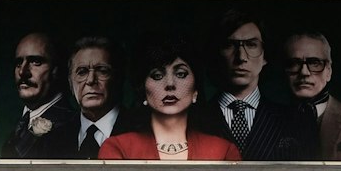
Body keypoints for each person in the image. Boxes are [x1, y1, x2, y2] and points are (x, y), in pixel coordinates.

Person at [99, 40, 241, 161]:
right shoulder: (118, 149)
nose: (170, 84)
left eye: (180, 74)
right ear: (143, 90)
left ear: (195, 90)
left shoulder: (223, 152)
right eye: (157, 75)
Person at [206, 10, 318, 161]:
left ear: (265, 56)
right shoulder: (193, 118)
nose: (241, 57)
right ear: (216, 53)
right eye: (229, 45)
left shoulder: (296, 119)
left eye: (251, 45)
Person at [284, 30, 341, 160]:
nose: (304, 72)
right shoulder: (268, 121)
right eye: (294, 63)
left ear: (328, 71)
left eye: (314, 63)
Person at [8, 31, 77, 158]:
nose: (23, 72)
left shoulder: (70, 126)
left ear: (57, 69)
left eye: (35, 62)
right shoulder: (21, 124)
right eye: (18, 63)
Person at [67, 36, 131, 159]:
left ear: (118, 79)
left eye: (102, 71)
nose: (91, 80)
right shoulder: (55, 138)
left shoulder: (143, 130)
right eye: (82, 72)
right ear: (70, 82)